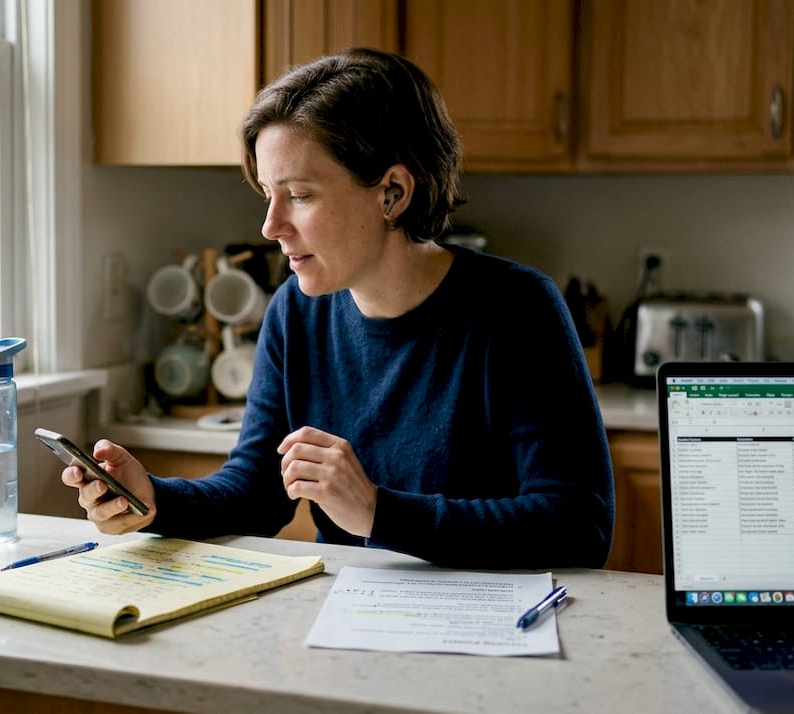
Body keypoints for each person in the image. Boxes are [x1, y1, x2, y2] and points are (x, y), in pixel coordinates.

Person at [64, 47, 614, 569]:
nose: (270, 227)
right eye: (267, 196)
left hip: (500, 630)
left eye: (299, 196)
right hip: (352, 620)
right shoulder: (294, 314)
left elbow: (579, 525)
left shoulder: (517, 310)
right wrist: (154, 499)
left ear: (393, 193)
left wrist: (379, 512)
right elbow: (258, 491)